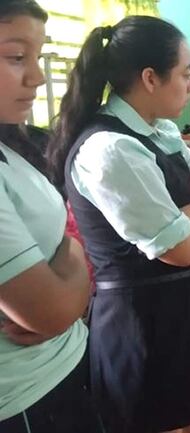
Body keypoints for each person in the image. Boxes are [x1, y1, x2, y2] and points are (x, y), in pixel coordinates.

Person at [48, 16, 190, 433]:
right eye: (186, 73)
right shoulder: (111, 148)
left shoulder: (162, 132)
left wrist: (188, 216)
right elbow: (180, 249)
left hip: (184, 304)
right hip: (145, 319)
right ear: (150, 78)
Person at [0, 2, 101, 431]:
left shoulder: (13, 148)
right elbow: (49, 312)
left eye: (37, 58)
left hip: (65, 366)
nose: (38, 77)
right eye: (15, 57)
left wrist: (68, 253)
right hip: (28, 397)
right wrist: (74, 252)